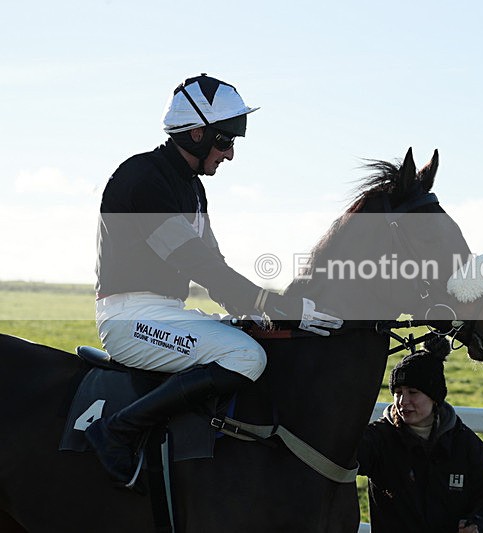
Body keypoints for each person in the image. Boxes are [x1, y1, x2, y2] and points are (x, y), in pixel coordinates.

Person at [87, 74, 342, 486]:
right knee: (247, 358)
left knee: (257, 342)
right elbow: (195, 263)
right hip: (128, 320)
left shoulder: (192, 189)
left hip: (169, 313)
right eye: (225, 142)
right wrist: (270, 304)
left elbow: (213, 262)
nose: (230, 155)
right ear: (196, 133)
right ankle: (119, 430)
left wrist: (255, 313)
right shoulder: (142, 178)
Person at [358, 338, 483, 533]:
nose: (402, 401)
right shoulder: (376, 440)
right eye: (397, 392)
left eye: (412, 392)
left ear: (434, 397)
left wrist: (479, 525)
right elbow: (337, 458)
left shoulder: (466, 444)